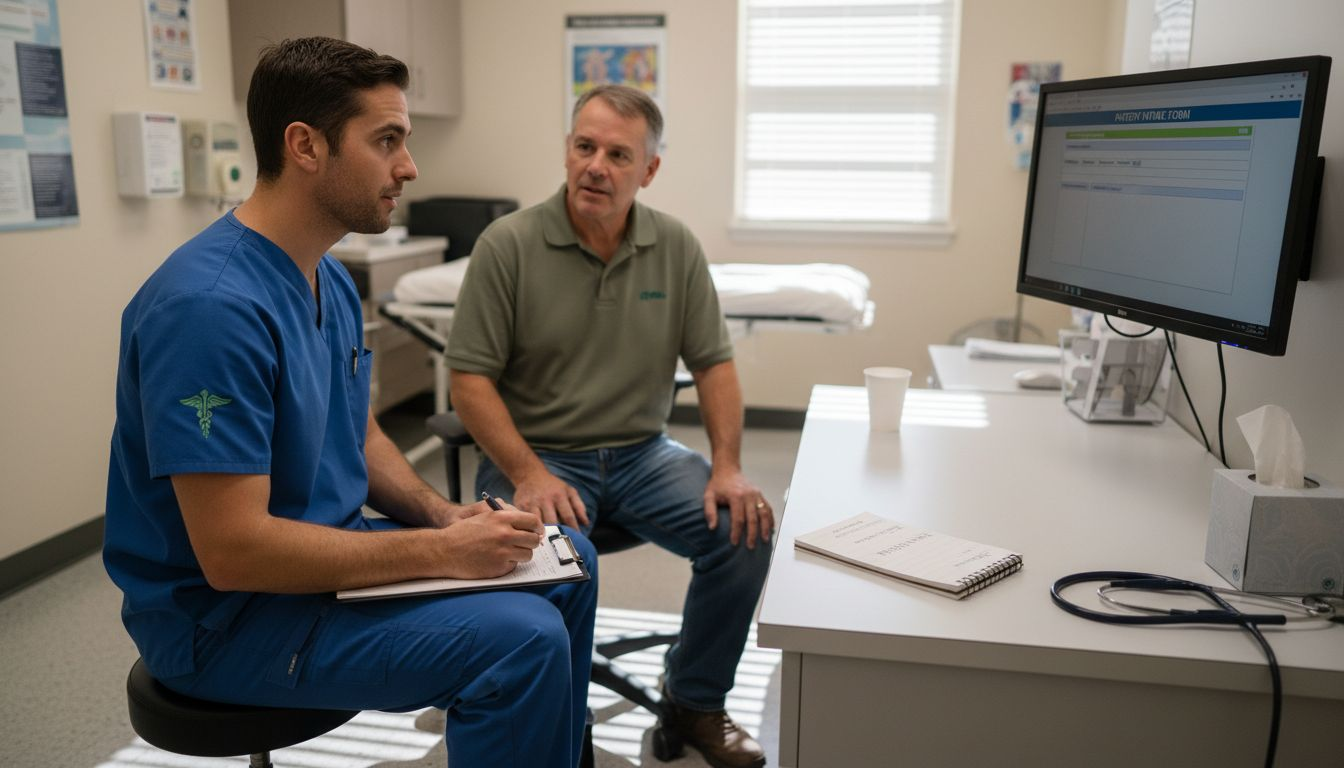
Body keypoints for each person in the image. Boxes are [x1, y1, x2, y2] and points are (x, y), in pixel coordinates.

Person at [103, 37, 597, 768]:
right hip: (227, 620)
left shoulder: (327, 280)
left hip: (321, 564)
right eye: (387, 140)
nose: (410, 166)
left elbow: (356, 433)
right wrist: (439, 553)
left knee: (565, 559)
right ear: (305, 145)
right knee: (519, 644)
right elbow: (234, 551)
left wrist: (444, 515)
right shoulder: (208, 311)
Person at [447, 84, 773, 768]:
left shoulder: (674, 246)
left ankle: (694, 700)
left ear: (648, 170)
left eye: (618, 154)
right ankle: (563, 727)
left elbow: (714, 365)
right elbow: (469, 380)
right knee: (551, 557)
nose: (596, 165)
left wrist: (728, 467)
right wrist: (528, 474)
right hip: (536, 456)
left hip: (641, 453)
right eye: (584, 146)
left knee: (744, 531)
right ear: (567, 151)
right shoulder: (508, 245)